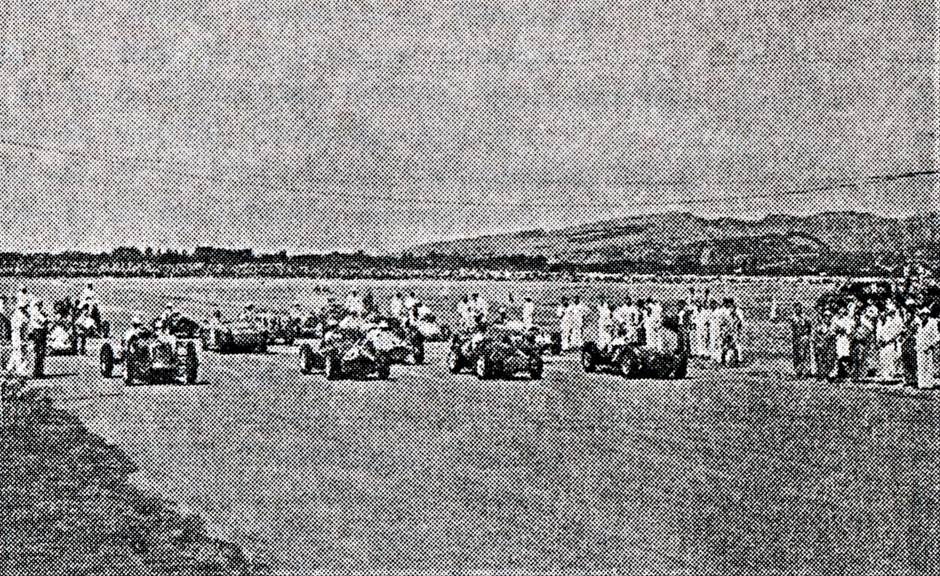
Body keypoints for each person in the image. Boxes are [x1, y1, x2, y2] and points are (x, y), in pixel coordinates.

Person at [877, 300, 903, 379]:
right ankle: (885, 374)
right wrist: (880, 339)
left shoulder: (897, 319)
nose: (890, 313)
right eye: (888, 311)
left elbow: (899, 331)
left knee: (892, 357)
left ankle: (892, 374)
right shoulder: (883, 319)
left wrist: (890, 339)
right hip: (883, 342)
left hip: (892, 342)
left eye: (892, 311)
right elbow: (879, 331)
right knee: (883, 357)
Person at [915, 306, 939, 390]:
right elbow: (918, 335)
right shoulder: (919, 324)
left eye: (925, 315)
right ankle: (922, 383)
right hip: (920, 347)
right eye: (922, 315)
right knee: (921, 365)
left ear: (928, 315)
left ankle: (929, 383)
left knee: (929, 365)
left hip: (928, 348)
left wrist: (930, 345)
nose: (923, 316)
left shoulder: (932, 323)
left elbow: (937, 336)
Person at [789, 303, 813, 378]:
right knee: (797, 355)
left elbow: (809, 326)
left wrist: (807, 335)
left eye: (799, 308)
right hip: (796, 338)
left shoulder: (805, 318)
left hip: (804, 337)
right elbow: (793, 329)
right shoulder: (793, 318)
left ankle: (806, 370)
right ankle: (798, 371)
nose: (797, 310)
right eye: (796, 308)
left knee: (805, 354)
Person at [7, 299, 29, 377]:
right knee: (20, 352)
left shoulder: (24, 315)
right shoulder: (18, 316)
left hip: (22, 336)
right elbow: (18, 328)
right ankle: (20, 370)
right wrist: (21, 339)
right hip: (18, 336)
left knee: (16, 352)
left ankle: (9, 368)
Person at [29, 299, 48, 378]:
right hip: (38, 331)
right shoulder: (36, 313)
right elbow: (43, 321)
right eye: (39, 304)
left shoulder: (40, 313)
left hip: (41, 332)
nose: (40, 306)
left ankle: (40, 371)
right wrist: (46, 319)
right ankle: (36, 372)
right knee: (38, 352)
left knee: (41, 352)